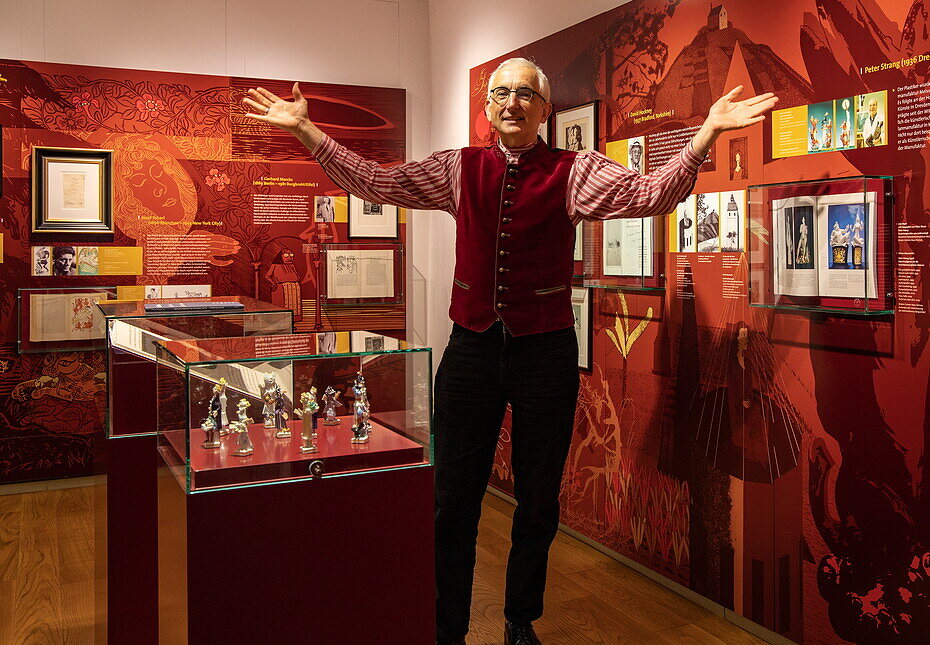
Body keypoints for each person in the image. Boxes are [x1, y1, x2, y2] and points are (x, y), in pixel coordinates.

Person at [243, 58, 777, 645]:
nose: (511, 103)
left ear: (545, 110)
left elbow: (650, 195)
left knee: (538, 497)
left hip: (545, 351)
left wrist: (704, 135)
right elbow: (377, 181)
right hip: (470, 348)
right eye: (500, 92)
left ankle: (519, 619)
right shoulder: (459, 168)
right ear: (488, 107)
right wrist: (306, 130)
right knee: (452, 499)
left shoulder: (574, 171)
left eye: (526, 94)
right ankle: (448, 628)